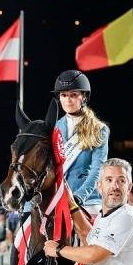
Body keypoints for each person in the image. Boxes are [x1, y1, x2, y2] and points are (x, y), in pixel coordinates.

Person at [53, 70, 109, 216]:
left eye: (73, 95)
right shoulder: (54, 128)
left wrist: (80, 196)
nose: (68, 100)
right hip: (57, 199)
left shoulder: (98, 129)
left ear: (83, 97)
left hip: (87, 200)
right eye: (63, 95)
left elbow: (98, 170)